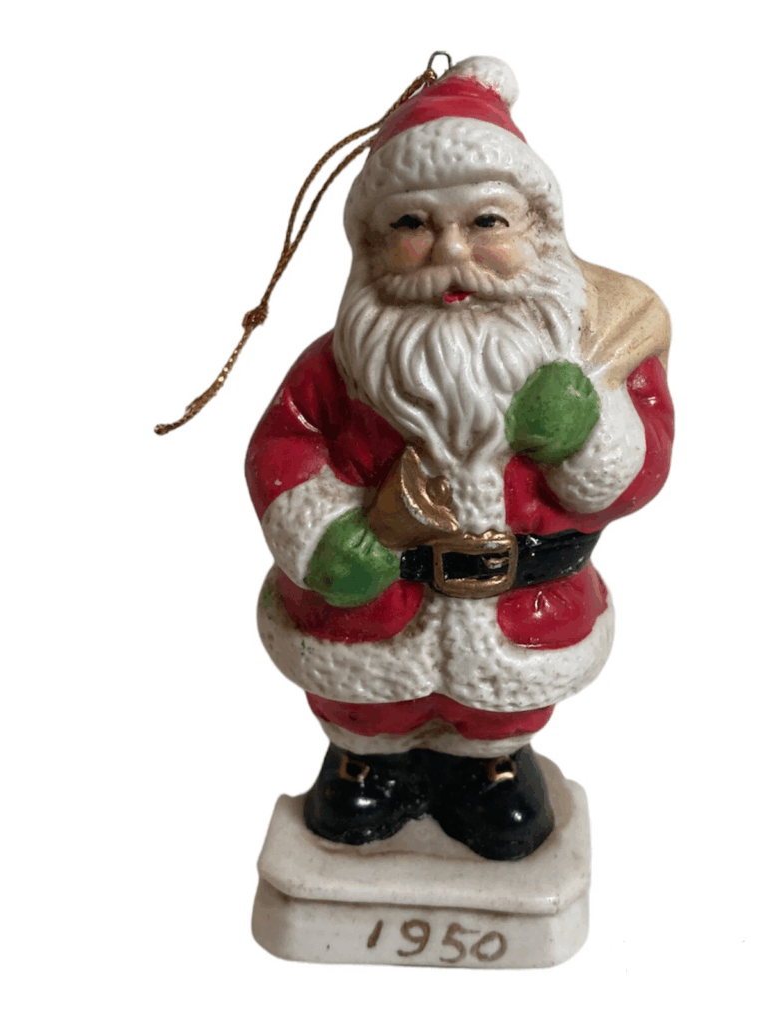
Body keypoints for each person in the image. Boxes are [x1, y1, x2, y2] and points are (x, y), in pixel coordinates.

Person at [245, 56, 674, 861]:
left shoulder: (586, 354)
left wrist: (589, 433)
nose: (451, 250)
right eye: (413, 224)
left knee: (501, 709)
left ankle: (491, 771)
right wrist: (343, 535)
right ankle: (363, 763)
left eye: (486, 223)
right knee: (364, 703)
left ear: (536, 231)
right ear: (372, 244)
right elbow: (284, 446)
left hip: (524, 603)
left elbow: (642, 463)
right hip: (373, 607)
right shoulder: (337, 368)